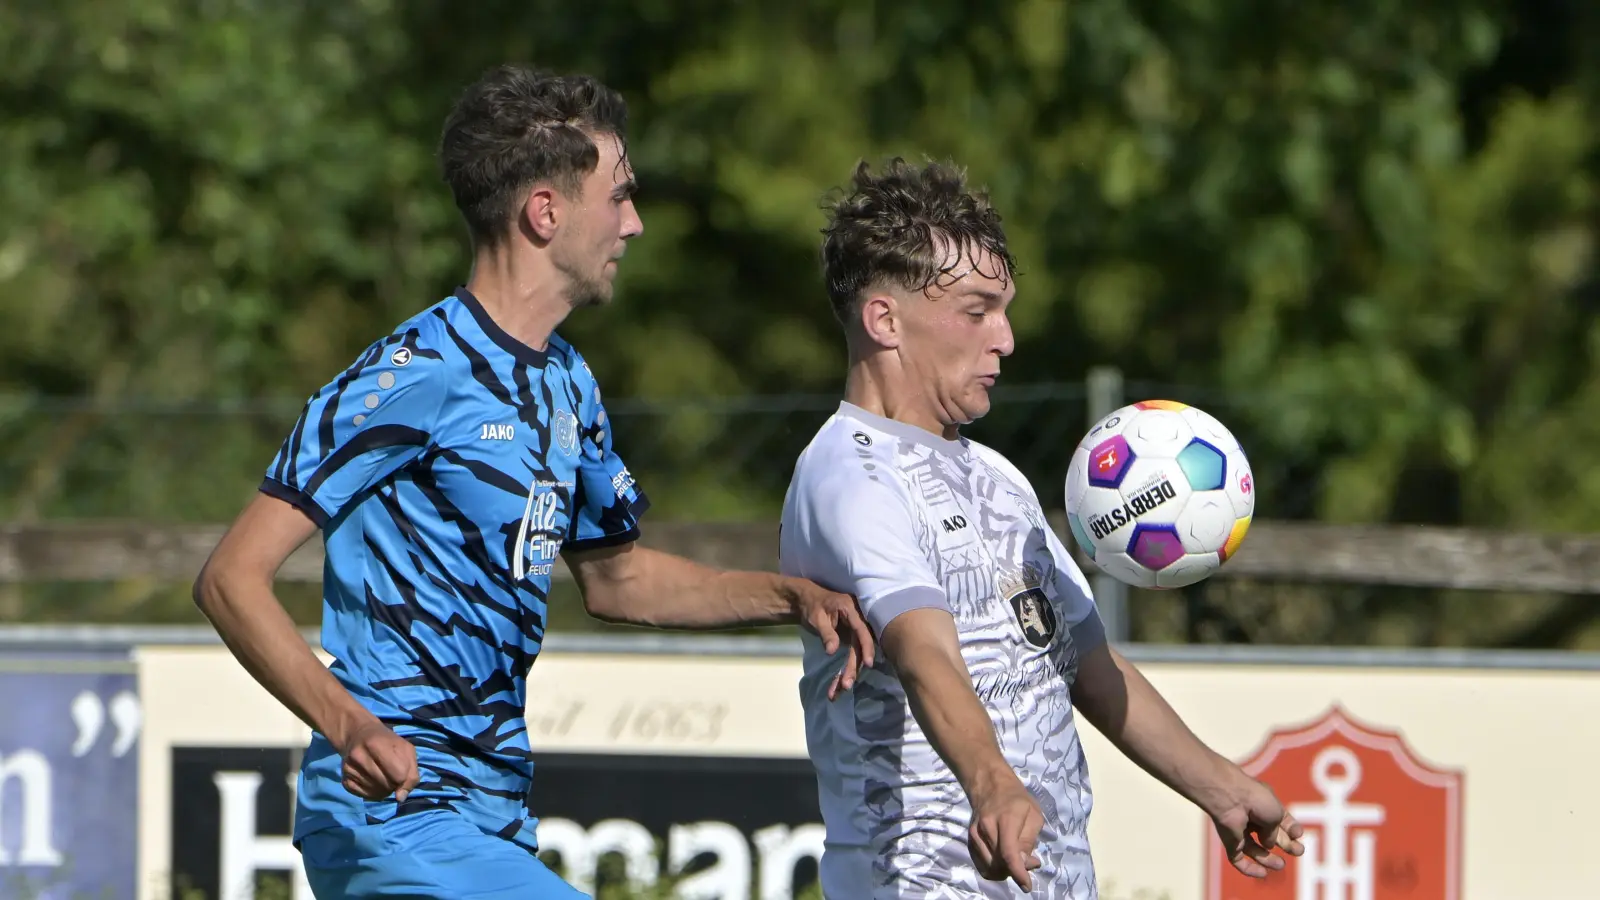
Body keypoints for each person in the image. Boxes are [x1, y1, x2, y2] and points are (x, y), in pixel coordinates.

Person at [191, 65, 874, 900]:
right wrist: (349, 724)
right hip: (395, 813)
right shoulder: (414, 372)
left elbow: (621, 581)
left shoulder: (568, 385)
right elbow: (231, 578)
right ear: (545, 213)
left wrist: (791, 597)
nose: (635, 224)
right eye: (619, 197)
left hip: (493, 813)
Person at [779, 158, 1303, 898]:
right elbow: (925, 651)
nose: (1006, 338)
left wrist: (1221, 787)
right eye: (977, 311)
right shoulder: (851, 477)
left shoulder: (997, 476)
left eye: (1005, 310)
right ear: (885, 320)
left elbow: (1084, 659)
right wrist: (992, 783)